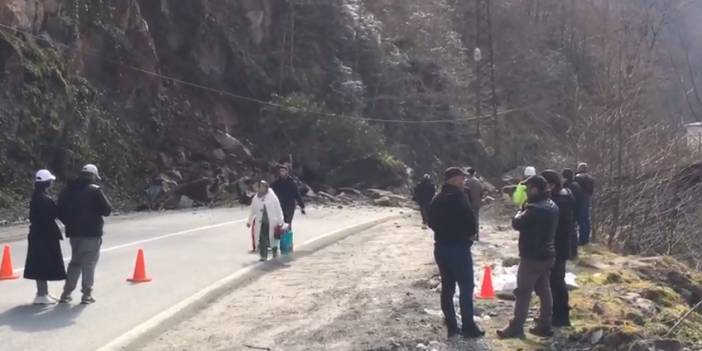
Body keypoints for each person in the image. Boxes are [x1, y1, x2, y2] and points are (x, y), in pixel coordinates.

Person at [498, 175, 558, 339]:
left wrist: (520, 209)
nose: (525, 191)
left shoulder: (533, 209)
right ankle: (545, 324)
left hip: (532, 256)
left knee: (523, 292)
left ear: (535, 189)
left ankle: (516, 327)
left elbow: (517, 223)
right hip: (548, 255)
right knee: (544, 290)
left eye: (527, 188)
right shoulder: (552, 205)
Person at [428, 167, 484, 339]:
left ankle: (451, 326)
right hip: (459, 248)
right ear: (453, 179)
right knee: (466, 288)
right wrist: (468, 235)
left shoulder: (437, 198)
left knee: (448, 287)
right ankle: (468, 326)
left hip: (441, 248)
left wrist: (444, 232)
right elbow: (470, 220)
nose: (463, 181)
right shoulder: (460, 196)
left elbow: (430, 222)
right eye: (461, 178)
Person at [58, 164, 112, 304]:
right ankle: (86, 294)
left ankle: (66, 293)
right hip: (91, 233)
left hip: (74, 233)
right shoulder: (95, 190)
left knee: (75, 262)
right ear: (93, 176)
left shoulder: (68, 189)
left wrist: (69, 223)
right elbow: (107, 210)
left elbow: (60, 210)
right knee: (89, 263)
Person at [23, 170, 67, 305]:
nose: (52, 183)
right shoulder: (44, 199)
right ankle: (41, 294)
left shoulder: (37, 197)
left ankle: (43, 293)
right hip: (45, 236)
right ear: (47, 183)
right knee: (43, 264)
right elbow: (55, 214)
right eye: (51, 181)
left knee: (40, 263)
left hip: (38, 234)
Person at [541, 170, 575, 327]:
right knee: (552, 282)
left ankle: (560, 316)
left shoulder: (559, 201)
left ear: (551, 185)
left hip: (557, 246)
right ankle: (552, 314)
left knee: (556, 282)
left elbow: (557, 227)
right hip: (559, 245)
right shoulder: (564, 196)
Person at [247, 181, 285, 261]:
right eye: (259, 187)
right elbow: (252, 210)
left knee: (273, 238)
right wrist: (249, 221)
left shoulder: (272, 196)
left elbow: (278, 208)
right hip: (261, 222)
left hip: (272, 222)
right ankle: (263, 255)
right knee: (262, 239)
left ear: (266, 187)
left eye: (262, 186)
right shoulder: (256, 198)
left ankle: (275, 252)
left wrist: (281, 220)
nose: (261, 188)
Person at [562, 169, 583, 258]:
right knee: (573, 231)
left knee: (569, 232)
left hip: (570, 211)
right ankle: (573, 253)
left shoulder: (568, 186)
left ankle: (570, 253)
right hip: (576, 210)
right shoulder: (576, 185)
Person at [575, 163, 595, 245]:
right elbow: (591, 190)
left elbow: (575, 189)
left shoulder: (577, 177)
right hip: (587, 199)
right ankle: (586, 239)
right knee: (586, 219)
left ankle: (581, 239)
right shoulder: (590, 178)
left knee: (580, 219)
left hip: (579, 199)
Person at [465, 167, 484, 237]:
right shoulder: (478, 181)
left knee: (468, 219)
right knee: (476, 219)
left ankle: (470, 235)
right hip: (477, 203)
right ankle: (476, 235)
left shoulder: (467, 182)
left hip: (469, 203)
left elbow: (464, 192)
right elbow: (482, 193)